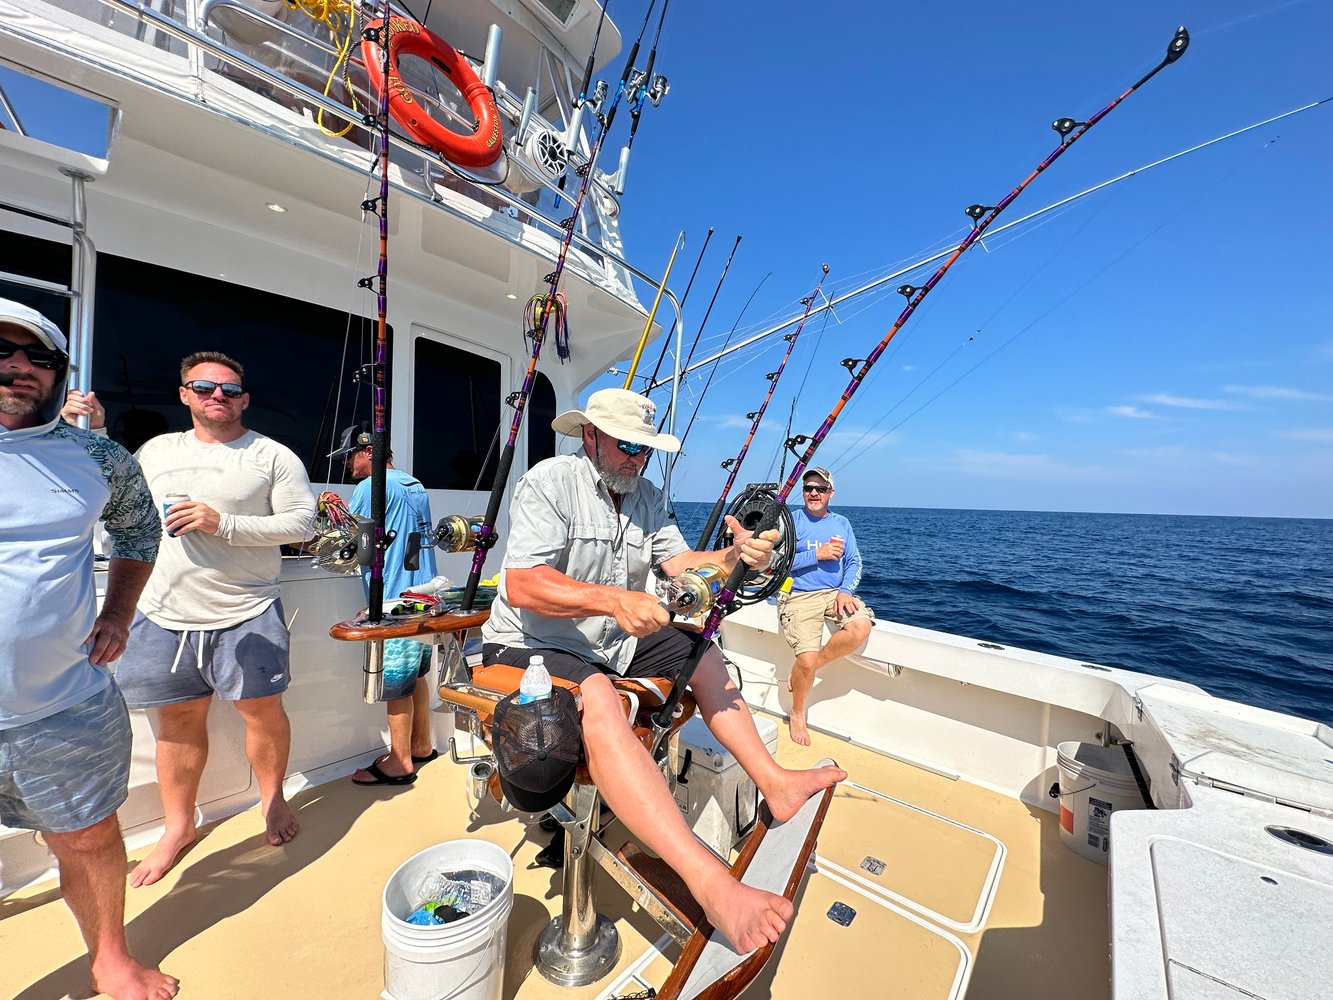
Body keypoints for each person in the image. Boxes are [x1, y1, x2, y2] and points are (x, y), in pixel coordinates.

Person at [482, 387, 846, 953]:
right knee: (600, 696)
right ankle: (712, 886)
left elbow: (679, 564)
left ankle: (775, 784)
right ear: (590, 436)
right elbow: (521, 584)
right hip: (528, 641)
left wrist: (736, 555)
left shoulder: (647, 494)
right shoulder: (549, 483)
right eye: (628, 445)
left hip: (608, 645)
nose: (637, 458)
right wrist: (612, 600)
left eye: (646, 449)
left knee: (699, 651)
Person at [65, 352, 316, 887]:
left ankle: (273, 800)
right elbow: (115, 494)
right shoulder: (157, 451)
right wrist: (93, 431)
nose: (216, 395)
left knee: (262, 713)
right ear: (184, 395)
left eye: (228, 389)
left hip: (246, 609)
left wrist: (221, 522)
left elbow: (301, 522)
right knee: (175, 725)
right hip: (162, 611)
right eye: (203, 387)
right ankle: (179, 826)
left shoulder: (272, 456)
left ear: (244, 398)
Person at [0, 298, 179, 1000]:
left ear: (59, 373)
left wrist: (118, 613)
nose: (16, 366)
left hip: (64, 704)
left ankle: (110, 957)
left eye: (35, 357)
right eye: (1, 352)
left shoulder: (97, 456)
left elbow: (139, 531)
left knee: (87, 838)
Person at [330, 423, 440, 785]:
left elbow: (357, 551)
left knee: (395, 683)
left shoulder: (369, 487)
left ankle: (400, 762)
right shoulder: (414, 484)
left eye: (350, 456)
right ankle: (422, 745)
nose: (348, 464)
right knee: (415, 678)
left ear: (370, 453)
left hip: (393, 602)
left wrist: (333, 514)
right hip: (424, 598)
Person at [778, 467, 875, 746]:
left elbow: (854, 561)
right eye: (808, 487)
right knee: (804, 660)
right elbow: (774, 563)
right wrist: (815, 555)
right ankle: (798, 712)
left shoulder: (842, 523)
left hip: (834, 594)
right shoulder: (790, 521)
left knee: (860, 627)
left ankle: (804, 671)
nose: (813, 493)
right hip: (798, 595)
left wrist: (845, 591)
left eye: (820, 489)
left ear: (831, 492)